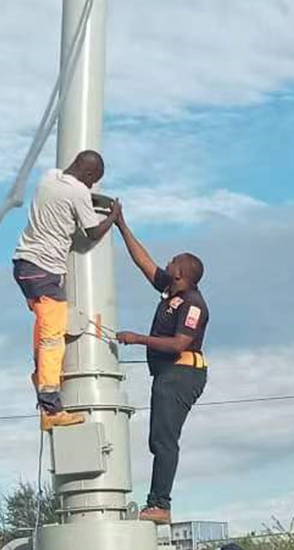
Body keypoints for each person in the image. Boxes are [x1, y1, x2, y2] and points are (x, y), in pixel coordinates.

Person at [115, 206, 209, 524]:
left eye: (172, 262)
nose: (166, 264)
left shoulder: (193, 304)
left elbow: (180, 343)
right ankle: (157, 503)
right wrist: (121, 224)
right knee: (158, 438)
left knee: (164, 439)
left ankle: (160, 505)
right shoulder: (170, 293)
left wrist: (137, 338)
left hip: (182, 372)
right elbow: (143, 261)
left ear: (181, 272)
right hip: (168, 374)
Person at [13, 151, 119, 431]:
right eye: (92, 181)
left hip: (24, 266)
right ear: (87, 175)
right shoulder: (78, 193)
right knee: (53, 338)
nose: (90, 186)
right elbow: (93, 233)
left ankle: (41, 381)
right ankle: (51, 407)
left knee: (44, 326)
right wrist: (114, 217)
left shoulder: (48, 177)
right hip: (45, 269)